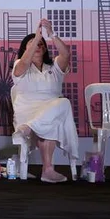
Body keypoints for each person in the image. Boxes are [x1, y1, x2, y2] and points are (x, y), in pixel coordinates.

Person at [11, 19, 79, 183]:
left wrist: (52, 34)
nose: (38, 46)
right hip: (27, 111)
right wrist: (36, 37)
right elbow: (24, 62)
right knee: (53, 119)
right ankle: (47, 169)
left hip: (50, 110)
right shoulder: (19, 65)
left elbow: (66, 54)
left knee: (63, 104)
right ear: (25, 49)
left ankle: (47, 168)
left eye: (41, 44)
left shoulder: (54, 66)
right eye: (33, 44)